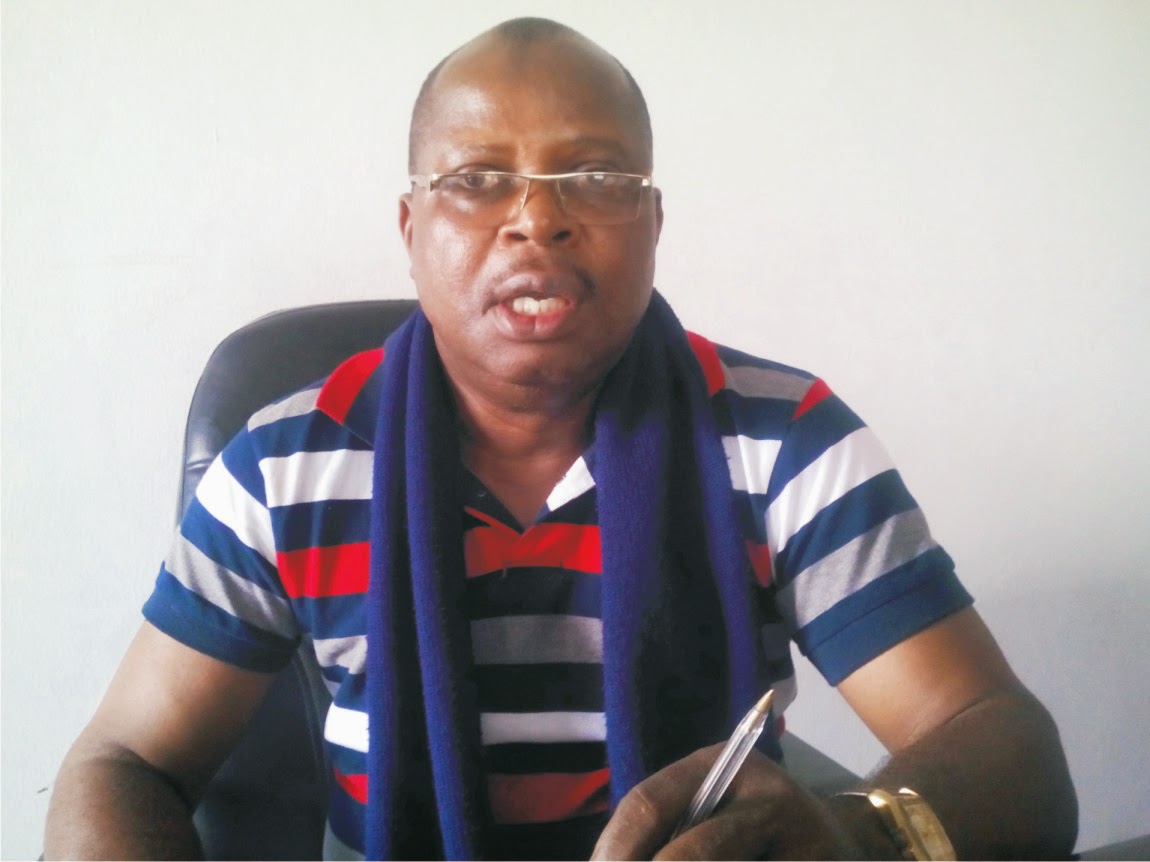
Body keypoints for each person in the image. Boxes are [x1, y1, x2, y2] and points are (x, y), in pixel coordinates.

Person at [44, 17, 1077, 861]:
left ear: (654, 226)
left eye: (596, 176)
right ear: (411, 231)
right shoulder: (285, 467)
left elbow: (1002, 742)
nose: (537, 219)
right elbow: (124, 761)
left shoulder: (785, 442)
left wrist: (856, 837)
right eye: (475, 178)